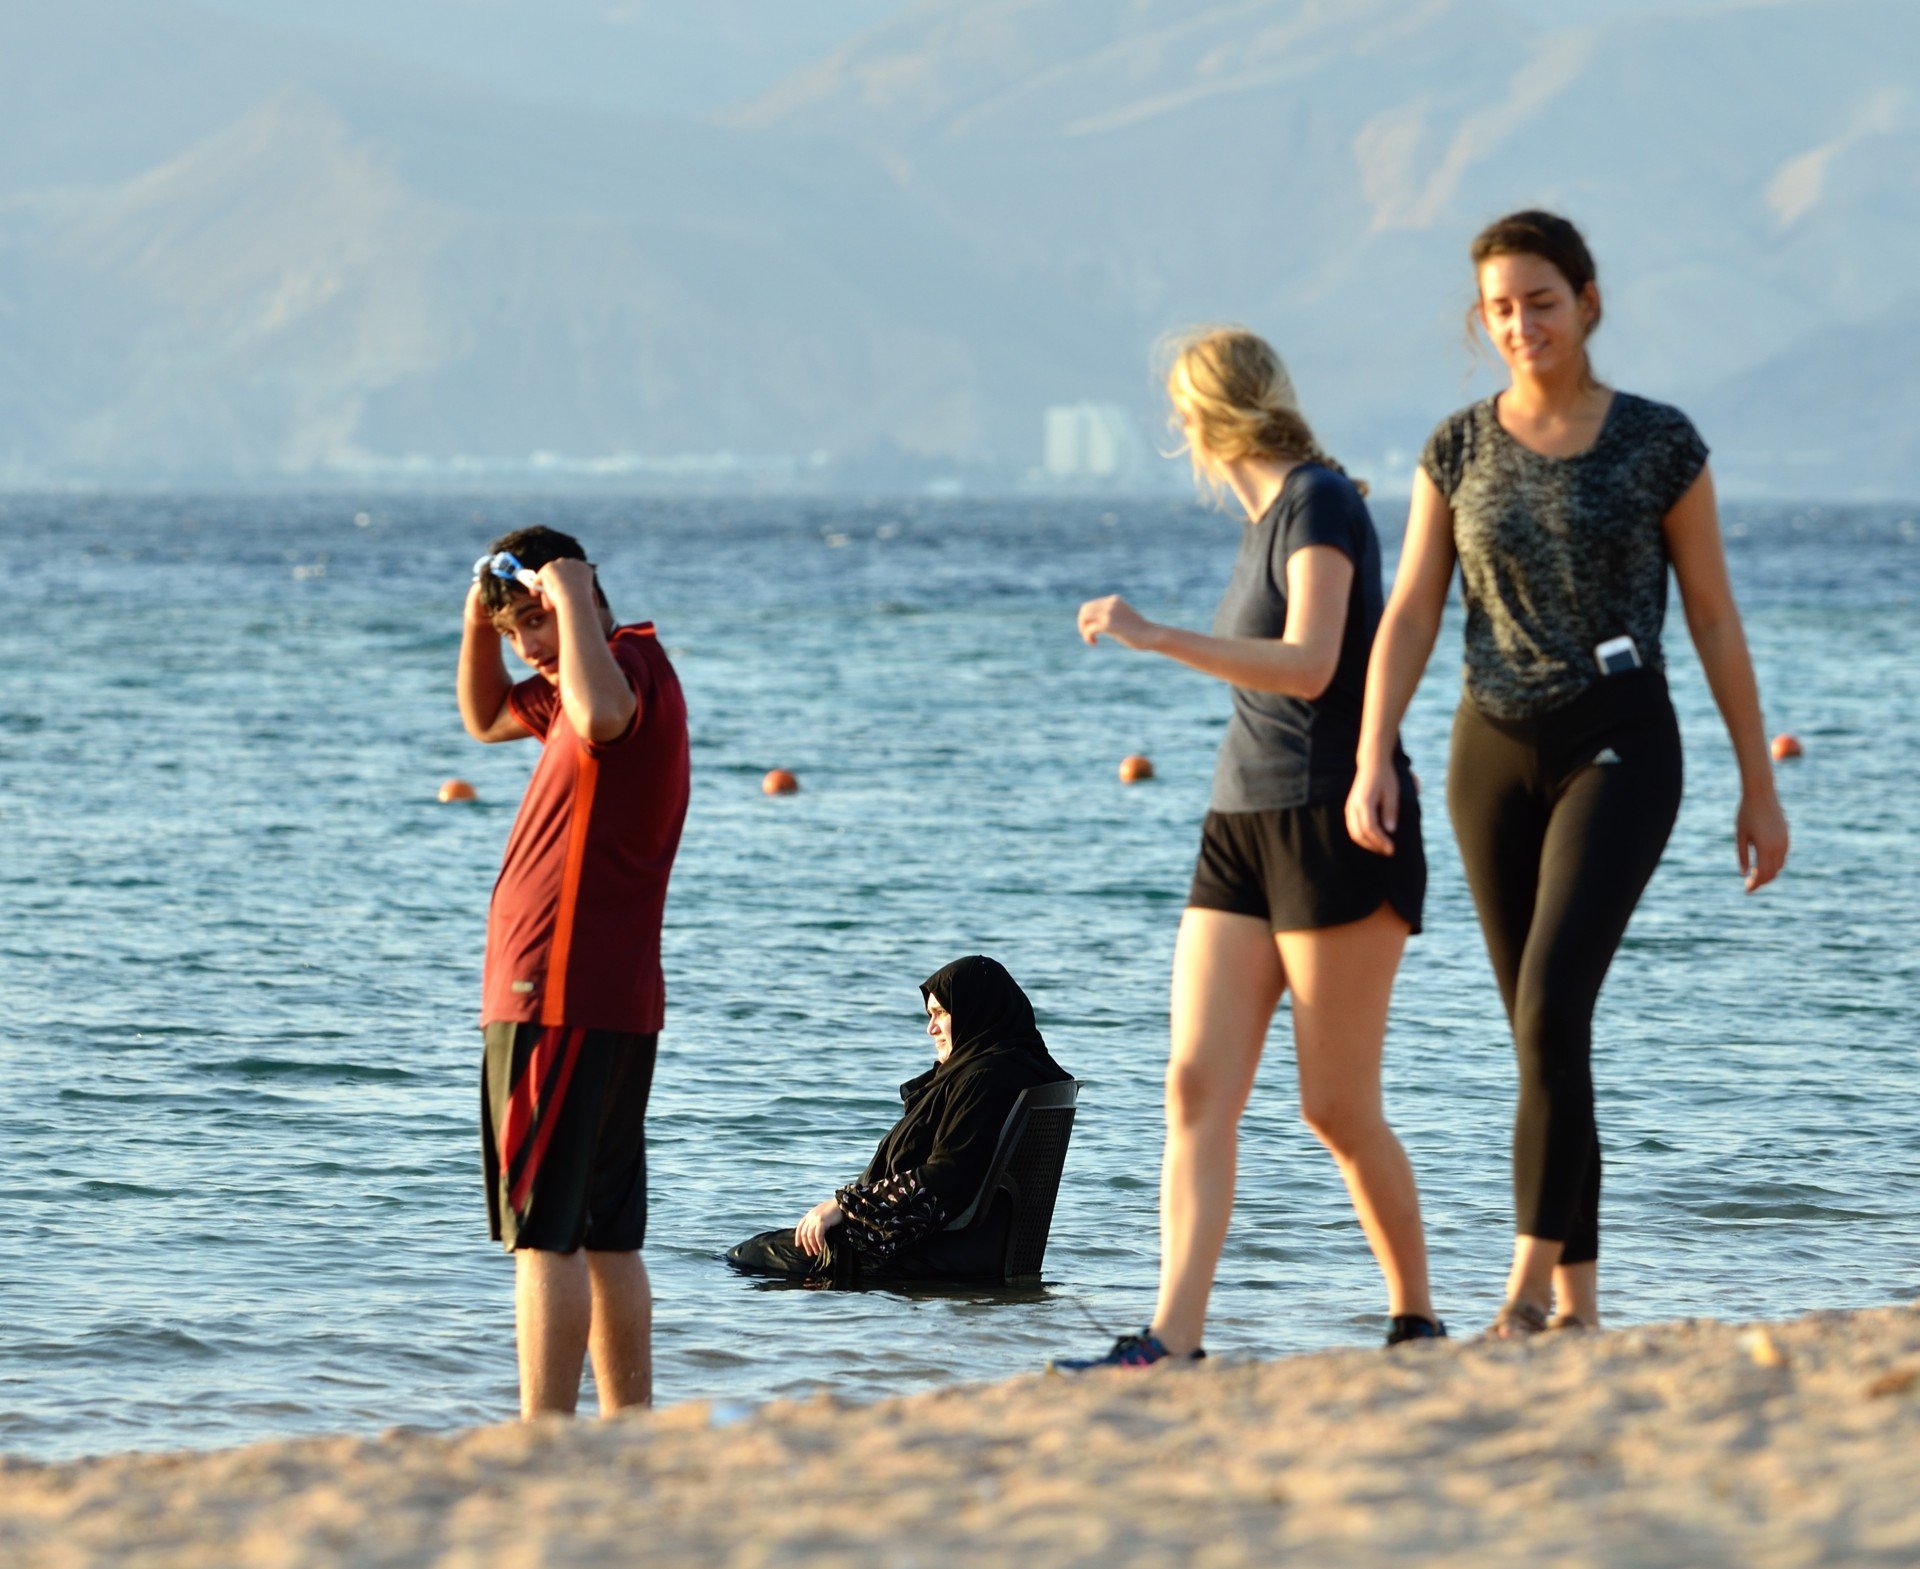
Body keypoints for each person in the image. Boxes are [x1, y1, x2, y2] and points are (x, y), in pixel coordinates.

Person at [1346, 210, 1790, 1338]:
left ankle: (1524, 1290)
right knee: (1544, 1032)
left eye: (1541, 301)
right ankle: (1582, 1307)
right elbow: (1413, 610)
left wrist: (1759, 782)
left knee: (1549, 1006)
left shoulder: (1658, 442)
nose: (1522, 324)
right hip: (1489, 750)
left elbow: (1714, 618)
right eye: (1500, 307)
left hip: (1620, 739)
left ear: (1588, 302)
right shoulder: (1456, 446)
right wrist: (1371, 751)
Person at [1057, 327, 1442, 1370]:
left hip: (1333, 824)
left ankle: (1416, 1318)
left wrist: (1154, 633)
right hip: (1238, 825)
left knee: (1336, 1106)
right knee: (1195, 1084)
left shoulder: (1321, 501)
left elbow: (1311, 664)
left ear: (1200, 419)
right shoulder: (1269, 519)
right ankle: (1172, 1338)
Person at [457, 524, 690, 1414]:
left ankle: (542, 1432)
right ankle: (630, 1424)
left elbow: (602, 719)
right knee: (603, 1233)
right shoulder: (584, 677)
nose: (527, 645)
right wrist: (478, 618)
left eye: (536, 621)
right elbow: (484, 718)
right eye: (512, 629)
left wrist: (566, 590)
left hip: (554, 990)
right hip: (607, 994)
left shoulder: (615, 672)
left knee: (545, 1235)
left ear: (583, 597)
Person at [727, 955, 1073, 1284]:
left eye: (940, 1013)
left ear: (974, 1012)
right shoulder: (1026, 1068)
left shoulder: (984, 1077)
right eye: (929, 1015)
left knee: (749, 1256)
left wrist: (845, 1207)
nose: (931, 1028)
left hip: (945, 1251)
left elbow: (949, 1175)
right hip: (978, 1246)